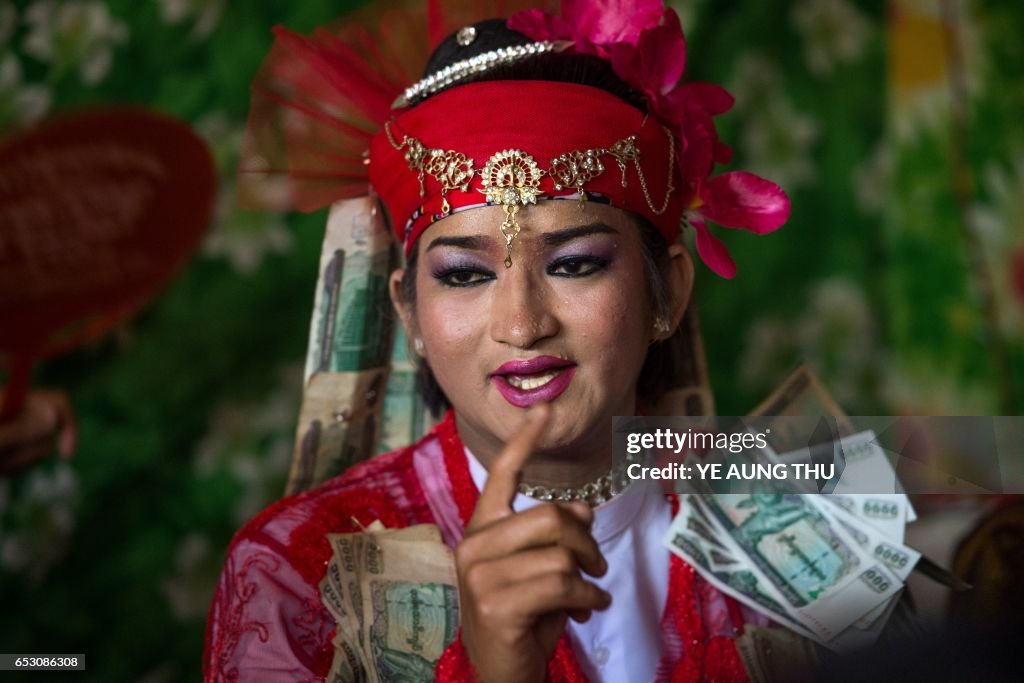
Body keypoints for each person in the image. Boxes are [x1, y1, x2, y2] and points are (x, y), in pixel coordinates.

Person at [204, 1, 789, 681]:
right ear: (411, 313)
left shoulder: (804, 510)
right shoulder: (291, 572)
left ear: (670, 293)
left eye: (574, 263)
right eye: (464, 274)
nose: (521, 323)